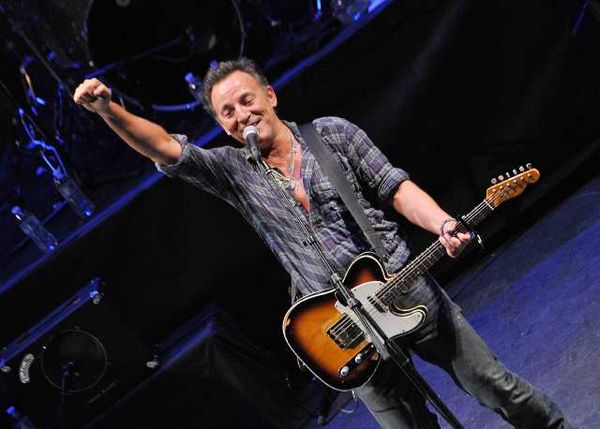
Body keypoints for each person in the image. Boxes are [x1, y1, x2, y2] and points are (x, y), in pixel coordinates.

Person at [73, 58, 570, 428]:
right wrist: (108, 110)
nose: (241, 115)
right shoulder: (233, 173)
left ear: (270, 95)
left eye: (246, 100)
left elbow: (395, 187)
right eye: (227, 112)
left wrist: (442, 222)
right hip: (342, 330)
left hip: (405, 288)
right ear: (222, 125)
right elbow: (165, 147)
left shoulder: (331, 135)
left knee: (498, 388)